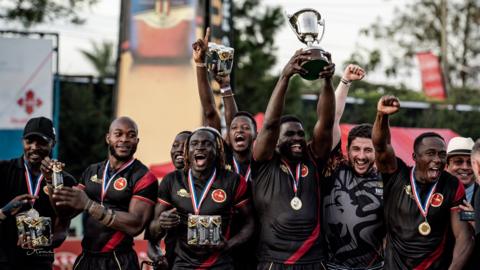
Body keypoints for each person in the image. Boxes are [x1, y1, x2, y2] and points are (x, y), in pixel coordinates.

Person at [251, 49, 335, 269]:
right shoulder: (263, 162)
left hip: (313, 261)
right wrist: (284, 77)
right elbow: (270, 124)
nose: (298, 138)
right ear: (275, 141)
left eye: (300, 133)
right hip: (273, 262)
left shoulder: (313, 158)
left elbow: (326, 124)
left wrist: (327, 83)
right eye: (289, 134)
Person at [372, 95, 474, 269]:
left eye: (442, 155)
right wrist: (382, 116)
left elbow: (464, 237)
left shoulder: (452, 185)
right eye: (431, 153)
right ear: (415, 157)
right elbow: (381, 146)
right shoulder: (396, 174)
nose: (437, 159)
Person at [53, 116, 158, 270]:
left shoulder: (144, 176)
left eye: (131, 135)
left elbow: (136, 225)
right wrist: (52, 181)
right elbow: (66, 213)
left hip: (119, 260)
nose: (125, 139)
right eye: (118, 134)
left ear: (137, 141)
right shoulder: (91, 171)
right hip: (86, 258)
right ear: (108, 138)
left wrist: (89, 205)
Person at [193, 28, 258, 269]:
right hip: (224, 238)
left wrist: (227, 87)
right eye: (234, 129)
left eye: (246, 128)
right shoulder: (223, 156)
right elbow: (211, 111)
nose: (239, 131)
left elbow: (234, 121)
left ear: (256, 135)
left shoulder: (263, 160)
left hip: (259, 240)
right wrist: (200, 66)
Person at [149, 127, 254, 269]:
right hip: (183, 265)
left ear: (217, 151)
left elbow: (250, 223)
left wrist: (228, 245)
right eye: (194, 144)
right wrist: (161, 222)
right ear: (187, 151)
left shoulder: (234, 181)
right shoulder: (172, 181)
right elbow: (153, 231)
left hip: (220, 264)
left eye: (206, 143)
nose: (199, 147)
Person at [0, 116, 75, 270]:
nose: (34, 147)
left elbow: (63, 228)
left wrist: (41, 241)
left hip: (40, 264)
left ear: (52, 143)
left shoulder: (64, 180)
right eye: (29, 141)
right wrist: (4, 211)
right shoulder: (3, 170)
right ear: (22, 142)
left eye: (41, 142)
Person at [147, 130, 192, 269]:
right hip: (176, 264)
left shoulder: (220, 182)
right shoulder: (169, 181)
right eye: (175, 145)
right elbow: (151, 239)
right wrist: (161, 222)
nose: (178, 150)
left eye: (184, 146)